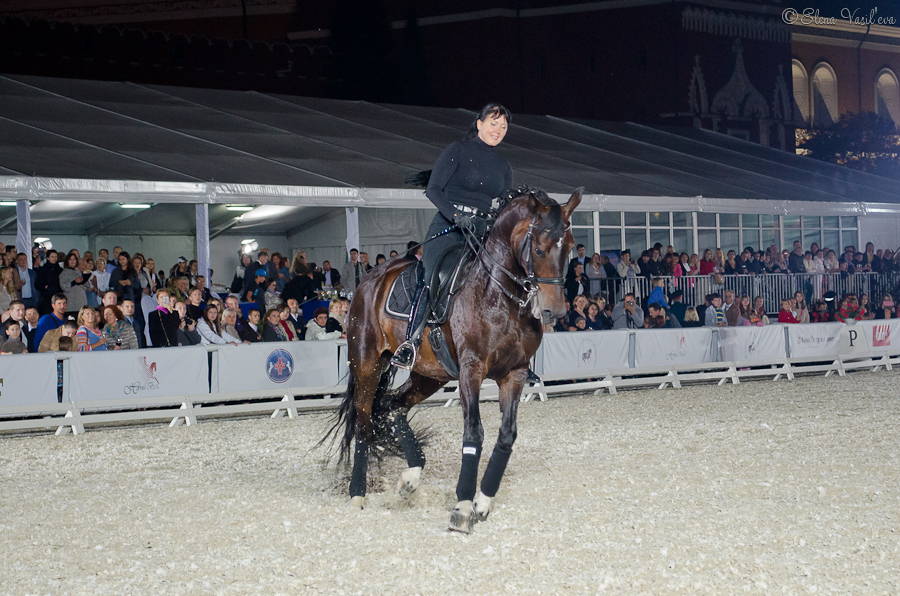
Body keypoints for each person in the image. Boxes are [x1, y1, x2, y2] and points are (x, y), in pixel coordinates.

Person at [392, 103, 513, 369]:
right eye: (493, 123)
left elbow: (505, 202)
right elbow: (434, 189)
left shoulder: (503, 165)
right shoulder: (457, 150)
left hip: (482, 229)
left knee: (506, 279)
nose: (498, 130)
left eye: (503, 126)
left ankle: (514, 350)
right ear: (479, 123)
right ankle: (410, 342)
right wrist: (456, 215)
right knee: (432, 276)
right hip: (450, 225)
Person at [35, 249, 62, 314]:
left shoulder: (60, 270)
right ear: (48, 258)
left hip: (57, 295)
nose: (54, 259)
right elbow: (37, 284)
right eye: (52, 257)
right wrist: (45, 287)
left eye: (55, 257)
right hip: (46, 297)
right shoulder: (43, 270)